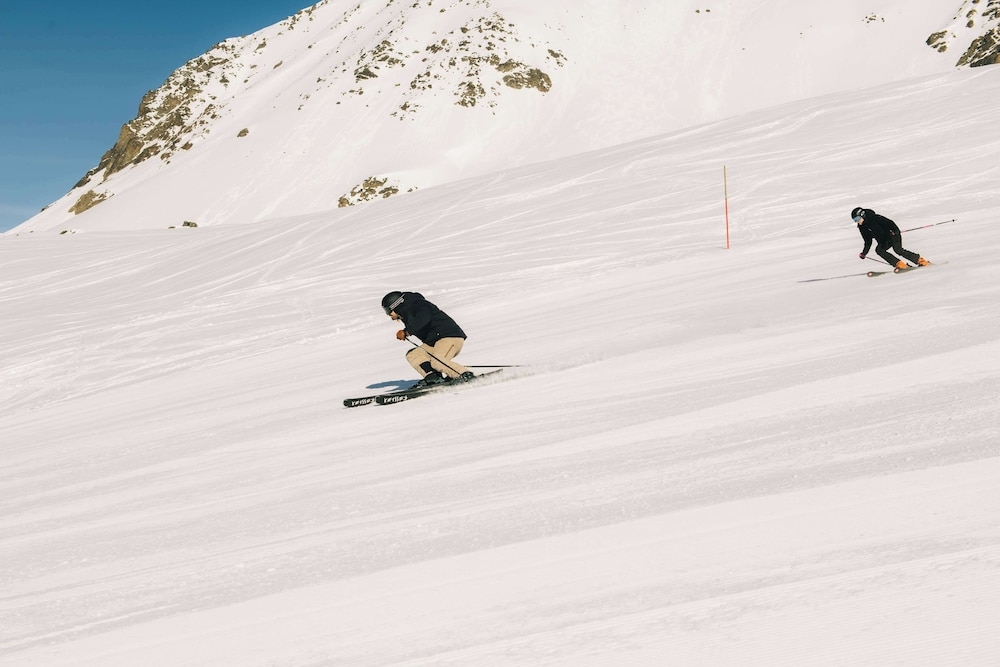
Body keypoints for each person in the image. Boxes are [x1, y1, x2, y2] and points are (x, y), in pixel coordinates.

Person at [381, 291, 475, 387]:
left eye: (388, 310)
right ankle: (433, 377)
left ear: (396, 305)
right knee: (413, 354)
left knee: (437, 361)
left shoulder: (419, 304)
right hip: (435, 342)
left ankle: (464, 375)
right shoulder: (406, 313)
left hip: (450, 337)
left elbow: (424, 317)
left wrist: (407, 331)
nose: (388, 314)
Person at [852, 206, 930, 270]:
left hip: (893, 235)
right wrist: (864, 253)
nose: (857, 222)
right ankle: (899, 264)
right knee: (879, 250)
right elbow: (868, 241)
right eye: (855, 220)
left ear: (862, 215)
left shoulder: (875, 218)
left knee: (898, 250)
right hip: (884, 241)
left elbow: (890, 223)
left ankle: (920, 260)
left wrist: (895, 231)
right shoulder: (862, 227)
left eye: (857, 219)